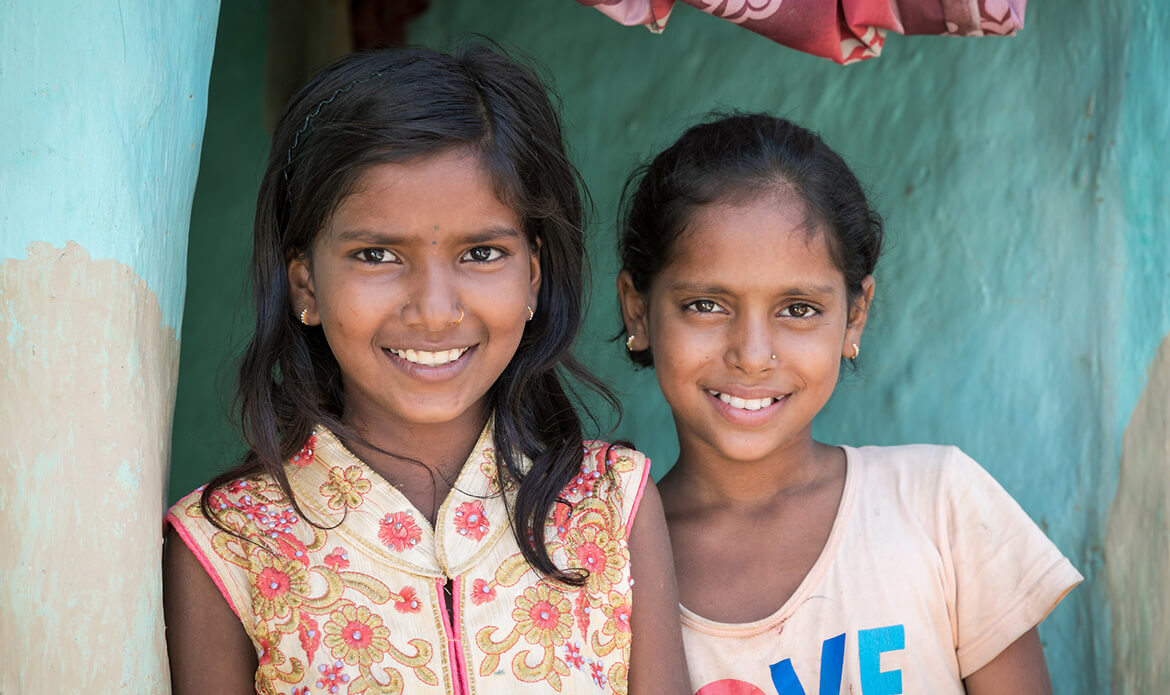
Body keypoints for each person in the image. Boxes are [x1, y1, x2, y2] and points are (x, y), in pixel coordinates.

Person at [163, 45, 688, 695]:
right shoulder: (229, 544)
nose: (436, 311)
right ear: (304, 284)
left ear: (533, 274)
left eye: (481, 251)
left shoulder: (611, 505)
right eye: (377, 253)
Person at [614, 113, 1081, 695]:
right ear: (638, 309)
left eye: (799, 309)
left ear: (854, 316)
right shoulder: (603, 564)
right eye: (707, 305)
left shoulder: (938, 507)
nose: (753, 355)